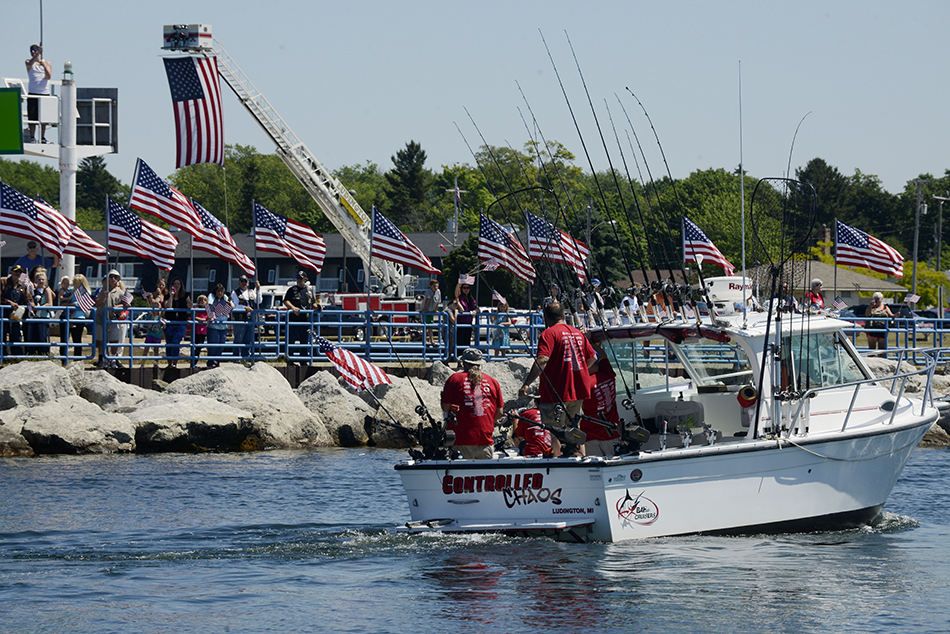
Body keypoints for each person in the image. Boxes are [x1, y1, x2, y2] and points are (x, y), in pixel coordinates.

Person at [518, 301, 598, 457]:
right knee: (574, 429)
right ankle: (580, 459)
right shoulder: (577, 333)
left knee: (554, 430)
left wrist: (526, 384)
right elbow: (593, 357)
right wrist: (577, 372)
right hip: (578, 391)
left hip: (556, 393)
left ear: (546, 317)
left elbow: (542, 359)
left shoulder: (549, 334)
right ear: (563, 315)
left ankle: (557, 462)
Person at [440, 348, 504, 459]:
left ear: (463, 363)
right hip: (485, 441)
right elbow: (499, 412)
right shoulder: (493, 382)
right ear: (480, 364)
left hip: (460, 440)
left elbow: (445, 407)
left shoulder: (455, 379)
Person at [581, 344, 622, 457]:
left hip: (590, 437)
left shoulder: (584, 384)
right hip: (612, 435)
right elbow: (603, 355)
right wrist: (590, 342)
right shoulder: (608, 373)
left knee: (594, 472)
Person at [95, 269, 129, 368]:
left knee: (115, 340)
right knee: (102, 340)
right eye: (111, 277)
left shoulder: (120, 292)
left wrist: (117, 307)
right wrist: (103, 296)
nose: (113, 279)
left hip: (114, 319)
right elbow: (97, 303)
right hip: (102, 319)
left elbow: (127, 305)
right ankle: (104, 359)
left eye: (116, 277)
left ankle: (114, 359)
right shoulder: (102, 290)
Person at [283, 271, 315, 362]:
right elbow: (286, 301)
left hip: (305, 320)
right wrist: (293, 307)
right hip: (293, 320)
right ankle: (289, 360)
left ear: (305, 280)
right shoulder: (292, 290)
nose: (298, 280)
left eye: (300, 278)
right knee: (291, 340)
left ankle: (304, 361)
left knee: (304, 341)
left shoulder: (309, 291)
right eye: (297, 278)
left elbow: (313, 304)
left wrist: (318, 307)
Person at [25, 44, 52, 143]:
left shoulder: (47, 63)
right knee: (32, 117)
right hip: (33, 93)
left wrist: (44, 65)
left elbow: (48, 76)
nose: (33, 52)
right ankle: (32, 137)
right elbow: (29, 65)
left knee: (44, 118)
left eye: (35, 50)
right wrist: (38, 54)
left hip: (44, 93)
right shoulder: (29, 62)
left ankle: (43, 137)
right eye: (31, 51)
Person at [163, 277, 192, 369]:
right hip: (170, 322)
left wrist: (189, 303)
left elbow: (189, 305)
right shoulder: (167, 295)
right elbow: (168, 306)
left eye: (178, 284)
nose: (176, 285)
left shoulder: (185, 295)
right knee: (169, 343)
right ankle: (169, 363)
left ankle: (175, 363)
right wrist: (171, 296)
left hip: (181, 323)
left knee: (176, 342)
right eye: (175, 284)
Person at [231, 275, 261, 363]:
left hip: (250, 319)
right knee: (238, 339)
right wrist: (245, 307)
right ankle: (236, 359)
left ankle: (246, 358)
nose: (244, 283)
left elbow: (259, 301)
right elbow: (235, 305)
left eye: (245, 282)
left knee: (248, 340)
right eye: (242, 282)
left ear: (248, 283)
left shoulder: (251, 292)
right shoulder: (235, 293)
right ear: (239, 283)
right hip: (240, 320)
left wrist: (258, 289)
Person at [2, 265, 31, 356]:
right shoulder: (3, 282)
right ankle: (2, 356)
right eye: (15, 271)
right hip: (3, 314)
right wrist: (9, 303)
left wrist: (31, 304)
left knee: (16, 335)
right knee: (2, 334)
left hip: (16, 315)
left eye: (19, 272)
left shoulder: (22, 285)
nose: (17, 274)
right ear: (11, 272)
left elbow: (28, 298)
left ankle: (16, 357)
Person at [26, 267, 55, 356]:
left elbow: (50, 303)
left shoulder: (46, 289)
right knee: (31, 337)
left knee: (42, 338)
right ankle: (31, 355)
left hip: (43, 316)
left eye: (43, 279)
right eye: (39, 279)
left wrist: (39, 307)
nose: (41, 281)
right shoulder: (32, 289)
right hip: (33, 316)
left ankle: (43, 355)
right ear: (35, 280)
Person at [206, 284, 231, 368]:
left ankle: (217, 361)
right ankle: (211, 362)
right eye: (218, 291)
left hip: (223, 325)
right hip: (213, 326)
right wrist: (223, 306)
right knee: (213, 344)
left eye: (221, 291)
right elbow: (210, 305)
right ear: (215, 291)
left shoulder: (225, 297)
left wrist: (225, 305)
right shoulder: (211, 296)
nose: (220, 293)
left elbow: (232, 306)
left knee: (221, 345)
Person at [143, 293, 166, 369]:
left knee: (156, 350)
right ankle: (143, 362)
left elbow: (164, 327)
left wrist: (164, 322)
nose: (156, 306)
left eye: (157, 305)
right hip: (150, 334)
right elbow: (149, 326)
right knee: (146, 349)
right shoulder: (150, 316)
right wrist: (152, 319)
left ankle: (156, 362)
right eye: (154, 305)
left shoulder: (160, 317)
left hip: (157, 335)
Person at [455, 278, 478, 349]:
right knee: (460, 341)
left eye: (468, 287)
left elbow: (477, 308)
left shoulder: (471, 299)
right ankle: (458, 356)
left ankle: (465, 356)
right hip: (460, 323)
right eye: (464, 287)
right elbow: (456, 292)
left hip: (469, 323)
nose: (466, 289)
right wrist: (461, 281)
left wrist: (475, 311)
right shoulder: (460, 297)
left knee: (467, 341)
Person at [420, 279, 441, 346]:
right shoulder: (429, 292)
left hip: (431, 311)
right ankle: (425, 340)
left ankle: (432, 341)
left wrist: (435, 309)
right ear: (430, 286)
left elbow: (438, 301)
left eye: (437, 286)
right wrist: (424, 310)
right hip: (426, 311)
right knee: (425, 327)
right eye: (434, 286)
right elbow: (427, 301)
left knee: (430, 327)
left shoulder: (438, 292)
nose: (436, 288)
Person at [443, 297, 460, 363]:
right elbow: (453, 320)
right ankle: (446, 361)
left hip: (449, 330)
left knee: (450, 347)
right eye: (455, 305)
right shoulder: (448, 310)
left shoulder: (447, 310)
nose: (456, 307)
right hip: (448, 331)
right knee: (449, 347)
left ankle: (446, 360)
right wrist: (456, 313)